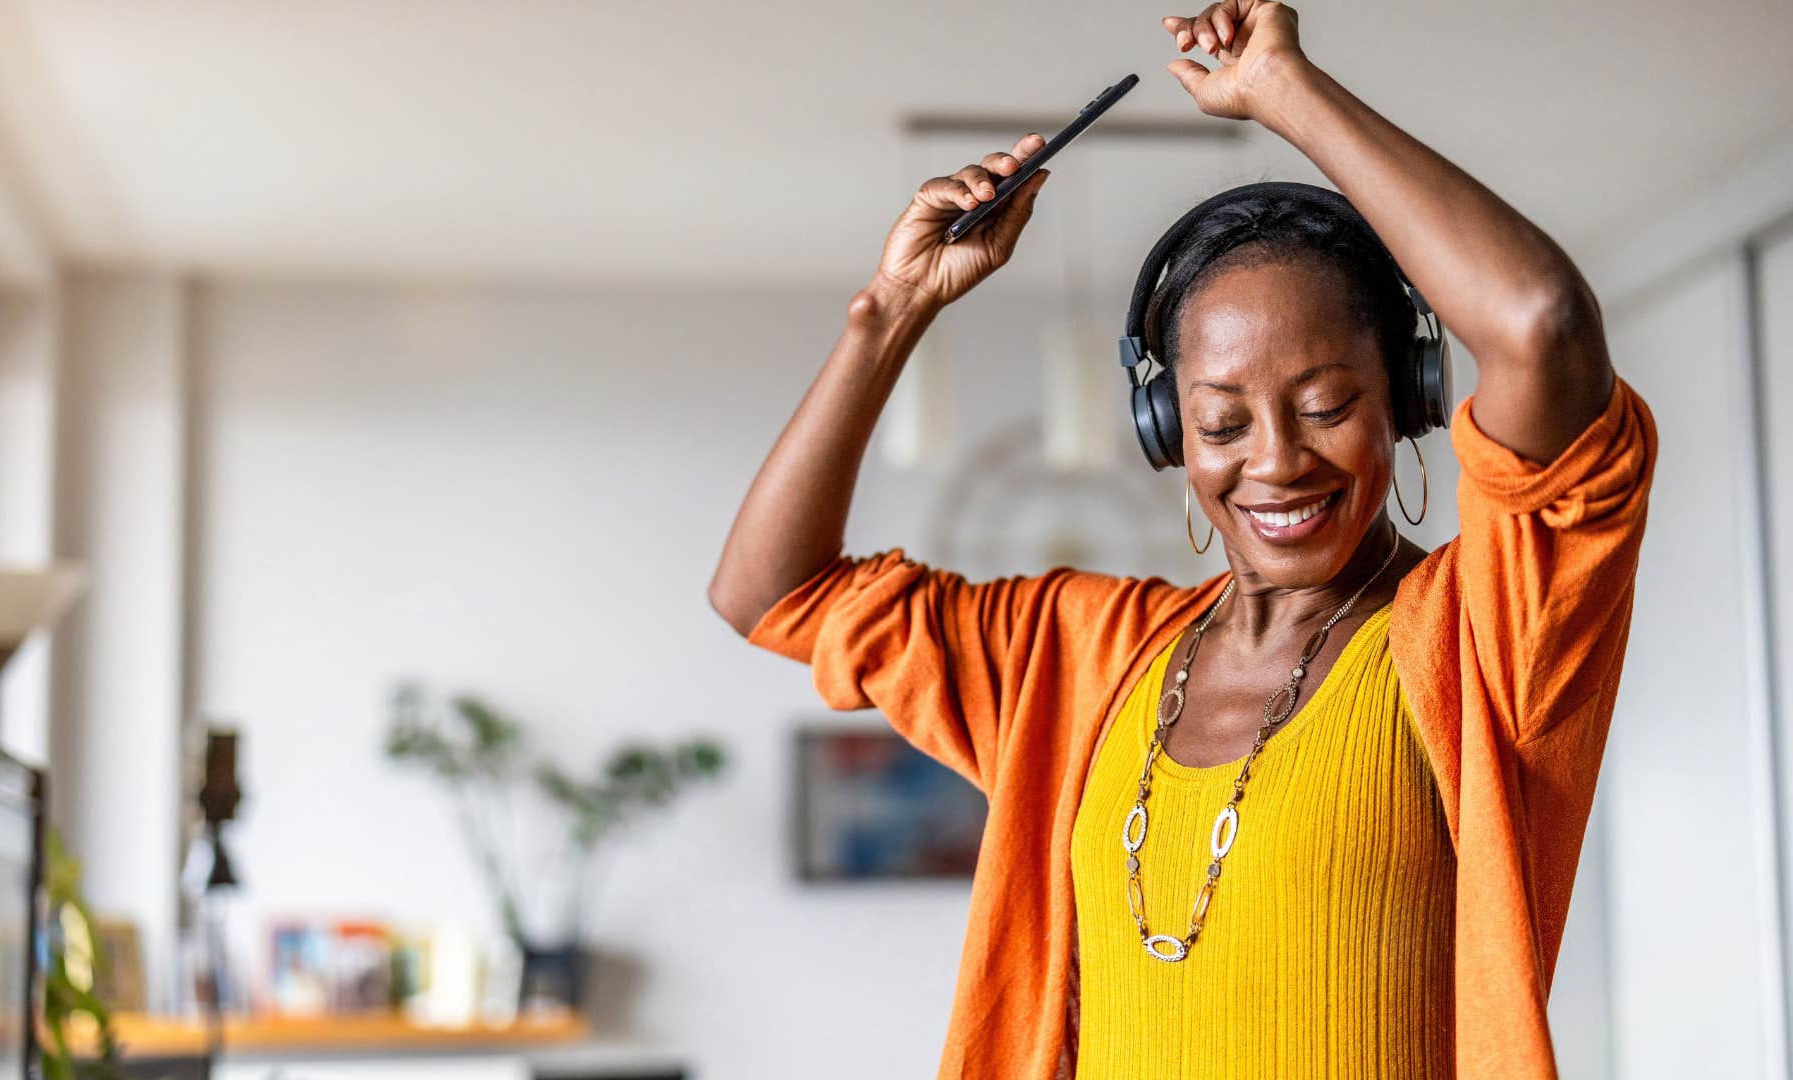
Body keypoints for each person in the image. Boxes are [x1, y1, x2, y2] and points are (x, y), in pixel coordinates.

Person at [708, 2, 1657, 1077]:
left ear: (1409, 396)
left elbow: (1541, 324)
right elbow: (770, 592)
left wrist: (1287, 92)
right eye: (1220, 422)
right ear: (1168, 434)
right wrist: (887, 313)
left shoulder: (1490, 635)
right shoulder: (1077, 659)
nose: (1276, 461)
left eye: (1326, 405)